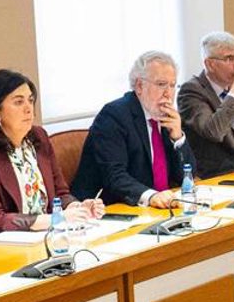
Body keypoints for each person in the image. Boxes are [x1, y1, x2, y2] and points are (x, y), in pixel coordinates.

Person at [0, 69, 104, 242]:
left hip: (40, 238)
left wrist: (77, 208)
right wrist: (57, 219)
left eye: (30, 100)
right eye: (18, 102)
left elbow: (60, 193)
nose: (28, 109)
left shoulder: (39, 138)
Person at [71, 51, 187, 209]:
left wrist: (178, 138)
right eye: (161, 84)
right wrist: (151, 196)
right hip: (106, 209)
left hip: (158, 208)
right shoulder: (114, 115)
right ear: (139, 86)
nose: (168, 94)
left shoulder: (166, 117)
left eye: (172, 85)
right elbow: (114, 176)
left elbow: (187, 177)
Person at [176, 32, 234, 179]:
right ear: (209, 64)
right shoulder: (191, 91)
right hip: (221, 177)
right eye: (229, 58)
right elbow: (213, 132)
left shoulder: (230, 89)